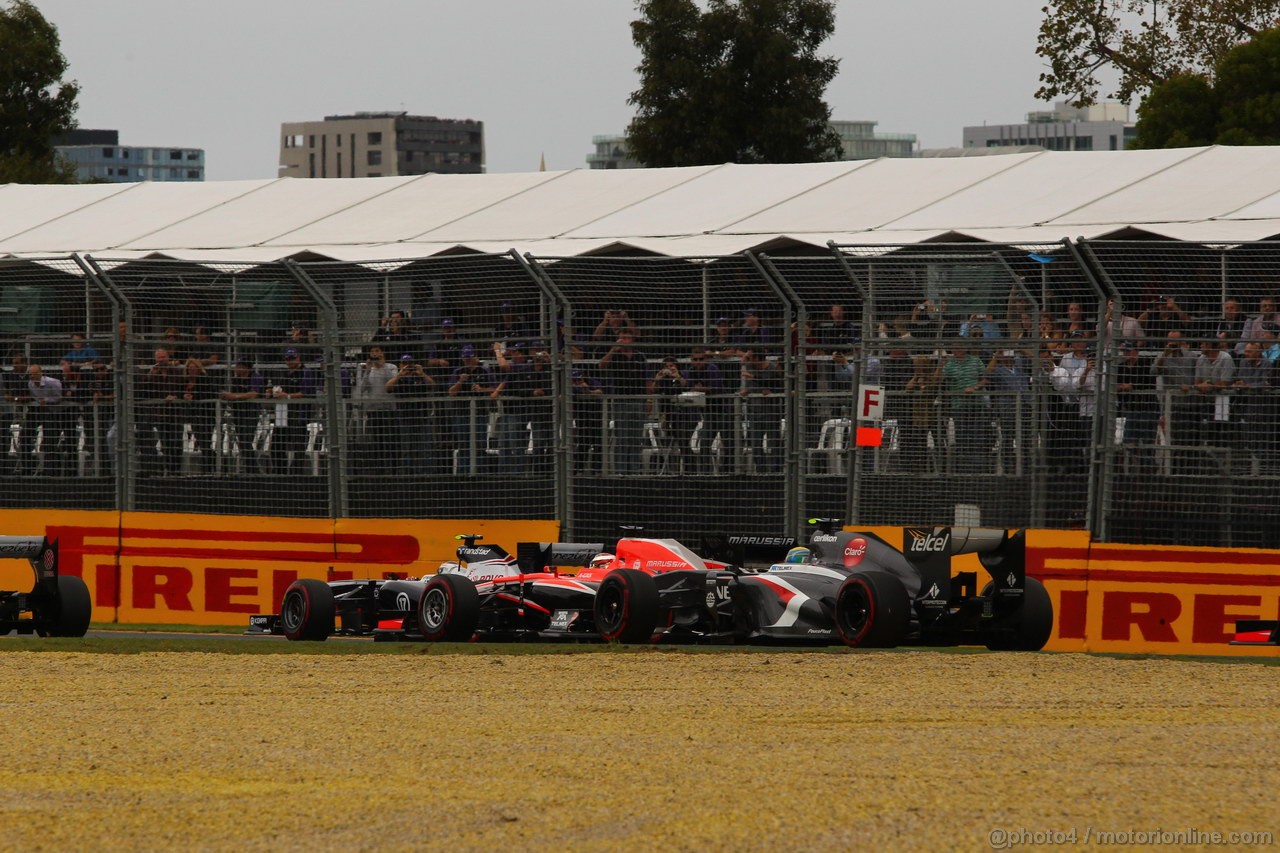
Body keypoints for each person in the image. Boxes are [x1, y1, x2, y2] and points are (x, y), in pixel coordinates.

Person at [597, 330, 649, 475]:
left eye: (626, 337)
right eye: (621, 338)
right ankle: (621, 471)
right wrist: (612, 350)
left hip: (638, 399)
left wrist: (649, 399)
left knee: (636, 437)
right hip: (621, 400)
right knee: (622, 436)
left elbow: (647, 379)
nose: (624, 340)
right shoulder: (615, 356)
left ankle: (634, 470)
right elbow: (601, 365)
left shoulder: (640, 356)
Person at [447, 344, 499, 474]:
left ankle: (480, 472)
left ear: (476, 358)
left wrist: (482, 389)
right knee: (464, 444)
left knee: (479, 443)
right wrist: (460, 382)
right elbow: (451, 392)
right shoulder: (458, 372)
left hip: (480, 413)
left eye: (470, 358)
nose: (467, 361)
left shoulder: (484, 371)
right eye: (465, 359)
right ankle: (463, 472)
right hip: (462, 412)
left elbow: (494, 388)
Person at [938, 343, 991, 474]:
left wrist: (976, 388)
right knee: (962, 438)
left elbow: (985, 378)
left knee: (978, 437)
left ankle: (978, 470)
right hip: (959, 406)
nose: (959, 349)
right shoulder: (949, 365)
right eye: (956, 346)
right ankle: (963, 471)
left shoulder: (975, 360)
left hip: (977, 405)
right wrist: (940, 364)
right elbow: (939, 380)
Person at [268, 347, 315, 474]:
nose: (289, 361)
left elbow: (305, 392)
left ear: (298, 358)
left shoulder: (305, 372)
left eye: (292, 358)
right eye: (287, 359)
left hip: (298, 414)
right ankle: (280, 472)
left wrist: (287, 396)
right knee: (277, 444)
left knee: (298, 446)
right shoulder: (284, 373)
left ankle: (296, 475)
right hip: (283, 414)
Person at [386, 353, 435, 472]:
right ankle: (407, 473)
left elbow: (432, 385)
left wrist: (421, 374)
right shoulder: (400, 379)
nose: (408, 367)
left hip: (421, 416)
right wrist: (400, 374)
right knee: (406, 447)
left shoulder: (420, 378)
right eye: (405, 364)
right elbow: (388, 387)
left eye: (410, 364)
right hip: (404, 416)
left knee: (423, 447)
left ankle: (423, 473)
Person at [1115, 340, 1159, 469]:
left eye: (1128, 351)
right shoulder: (1121, 367)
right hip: (1131, 407)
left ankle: (1148, 468)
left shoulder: (1145, 364)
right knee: (1129, 440)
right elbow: (1118, 385)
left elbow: (1149, 382)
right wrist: (1124, 387)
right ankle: (1134, 465)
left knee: (1147, 440)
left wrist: (1132, 386)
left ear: (1135, 351)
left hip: (1148, 407)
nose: (1126, 354)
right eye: (1124, 351)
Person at [354, 345, 398, 475]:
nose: (374, 354)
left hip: (388, 409)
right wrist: (367, 371)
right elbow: (361, 389)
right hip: (373, 410)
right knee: (377, 440)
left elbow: (393, 382)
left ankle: (393, 470)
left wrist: (382, 365)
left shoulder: (391, 367)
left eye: (377, 351)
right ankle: (380, 470)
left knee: (389, 440)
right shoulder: (367, 370)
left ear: (382, 353)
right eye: (372, 352)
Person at [648, 355, 696, 473]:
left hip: (685, 414)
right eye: (666, 367)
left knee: (683, 442)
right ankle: (676, 470)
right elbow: (652, 391)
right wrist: (657, 380)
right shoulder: (663, 379)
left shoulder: (683, 374)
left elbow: (688, 387)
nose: (669, 369)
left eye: (671, 366)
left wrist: (677, 376)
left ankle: (691, 471)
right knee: (677, 443)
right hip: (669, 415)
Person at [739, 348, 782, 474]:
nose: (746, 361)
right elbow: (751, 386)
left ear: (757, 358)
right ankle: (761, 472)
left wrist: (769, 390)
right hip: (754, 412)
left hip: (771, 412)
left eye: (749, 358)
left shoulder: (773, 369)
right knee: (755, 444)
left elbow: (778, 386)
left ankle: (776, 473)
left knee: (773, 443)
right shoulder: (750, 368)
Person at [139, 348, 182, 475]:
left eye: (163, 357)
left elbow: (181, 387)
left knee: (176, 442)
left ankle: (176, 471)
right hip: (159, 413)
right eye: (159, 357)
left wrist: (175, 396)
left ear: (168, 357)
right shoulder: (153, 374)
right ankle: (166, 470)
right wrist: (150, 375)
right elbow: (145, 391)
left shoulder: (177, 372)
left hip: (174, 413)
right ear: (155, 359)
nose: (161, 359)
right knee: (164, 442)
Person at [1153, 330, 1198, 447]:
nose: (1172, 343)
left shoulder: (1191, 356)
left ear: (1181, 342)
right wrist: (1164, 356)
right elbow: (1153, 372)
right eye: (1170, 340)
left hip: (1190, 404)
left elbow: (1198, 377)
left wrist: (1191, 387)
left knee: (1190, 439)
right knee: (1173, 440)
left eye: (1175, 340)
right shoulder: (1162, 357)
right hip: (1172, 405)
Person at [685, 347, 726, 473]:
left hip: (723, 410)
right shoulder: (691, 371)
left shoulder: (712, 368)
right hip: (708, 412)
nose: (698, 362)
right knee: (704, 443)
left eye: (701, 359)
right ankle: (705, 473)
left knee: (728, 443)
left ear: (706, 359)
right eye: (695, 359)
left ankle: (728, 472)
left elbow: (715, 388)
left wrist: (701, 389)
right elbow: (690, 387)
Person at [220, 360, 264, 473]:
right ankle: (251, 469)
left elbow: (254, 393)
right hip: (239, 412)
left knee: (245, 440)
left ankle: (254, 470)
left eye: (239, 366)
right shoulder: (235, 380)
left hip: (251, 412)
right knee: (242, 442)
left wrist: (235, 396)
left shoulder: (255, 377)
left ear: (246, 368)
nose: (236, 368)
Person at [26, 364, 64, 476]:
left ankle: (51, 471)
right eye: (30, 374)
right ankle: (29, 468)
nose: (32, 376)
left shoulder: (52, 382)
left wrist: (47, 400)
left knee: (50, 440)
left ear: (41, 373)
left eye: (35, 373)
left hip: (54, 413)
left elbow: (59, 397)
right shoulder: (30, 384)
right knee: (26, 435)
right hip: (39, 411)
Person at [178, 358, 215, 474]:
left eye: (194, 368)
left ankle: (212, 468)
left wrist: (194, 397)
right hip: (193, 415)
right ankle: (210, 468)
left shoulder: (205, 381)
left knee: (205, 442)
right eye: (190, 368)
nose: (192, 370)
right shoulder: (184, 382)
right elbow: (179, 392)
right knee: (201, 442)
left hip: (205, 415)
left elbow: (209, 394)